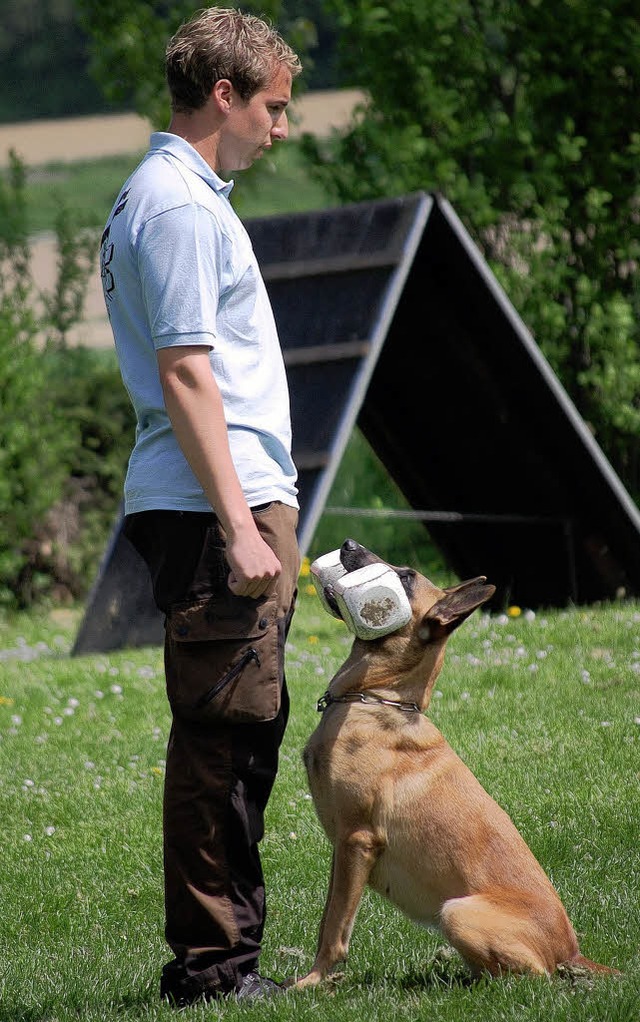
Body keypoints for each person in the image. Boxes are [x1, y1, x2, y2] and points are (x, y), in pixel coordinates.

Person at [99, 6, 302, 1004]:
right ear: (224, 95)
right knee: (224, 731)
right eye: (273, 104)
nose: (283, 124)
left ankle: (227, 957)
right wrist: (236, 521)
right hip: (213, 509)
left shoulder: (182, 195)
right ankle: (214, 966)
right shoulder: (177, 205)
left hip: (227, 499)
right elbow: (185, 372)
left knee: (244, 722)